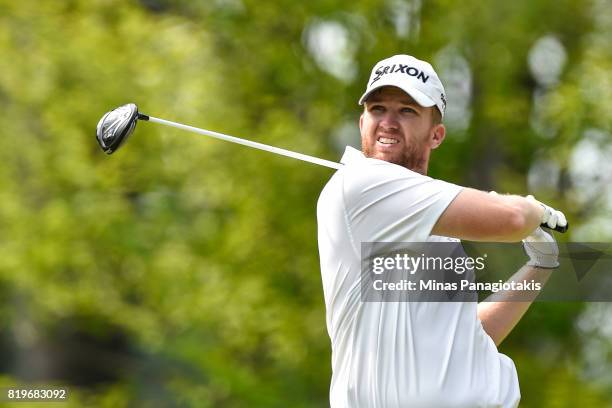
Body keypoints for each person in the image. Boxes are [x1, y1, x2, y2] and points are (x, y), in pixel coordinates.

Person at [316, 54, 567, 408]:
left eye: (406, 110)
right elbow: (511, 220)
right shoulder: (361, 185)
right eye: (377, 109)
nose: (387, 122)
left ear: (436, 134)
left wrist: (539, 268)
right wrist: (533, 208)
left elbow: (462, 341)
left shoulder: (433, 225)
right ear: (362, 123)